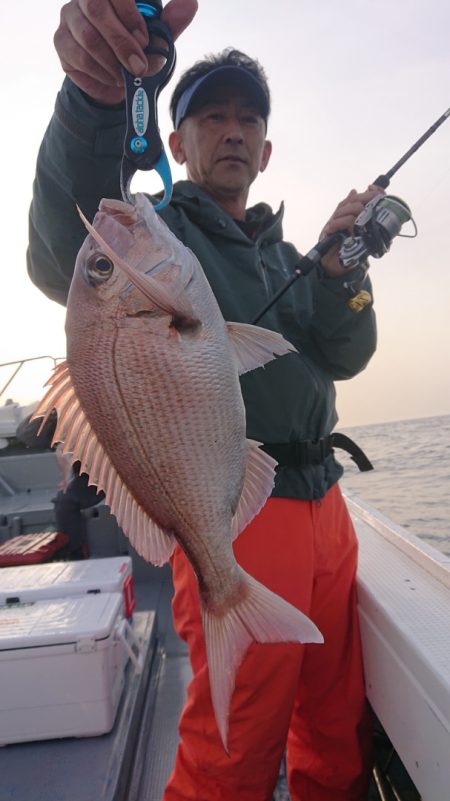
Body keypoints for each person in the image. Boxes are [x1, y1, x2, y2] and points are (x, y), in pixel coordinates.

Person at [27, 2, 380, 798]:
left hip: (329, 510)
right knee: (234, 744)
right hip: (236, 516)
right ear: (176, 144)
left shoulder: (292, 255)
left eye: (247, 119)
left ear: (267, 146)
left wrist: (340, 273)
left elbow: (349, 356)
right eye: (211, 115)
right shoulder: (160, 238)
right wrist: (96, 99)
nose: (232, 130)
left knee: (334, 720)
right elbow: (64, 250)